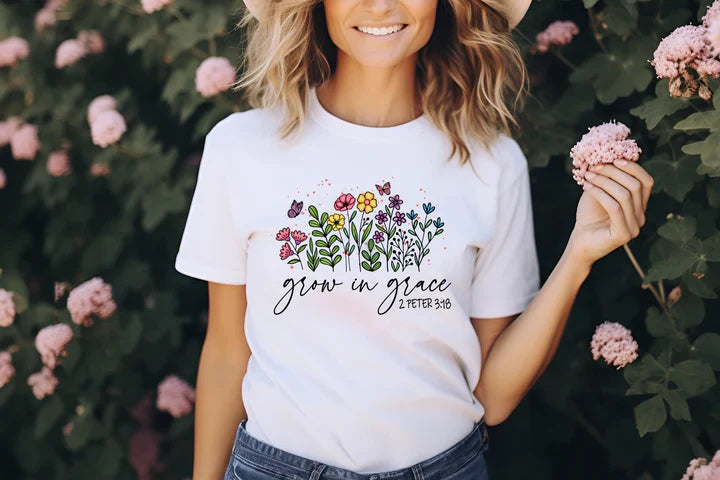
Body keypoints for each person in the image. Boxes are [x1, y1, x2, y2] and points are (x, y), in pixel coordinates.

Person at [174, 1, 654, 479]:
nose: (381, 6)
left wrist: (578, 256)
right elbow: (226, 353)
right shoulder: (241, 148)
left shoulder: (492, 163)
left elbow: (492, 397)